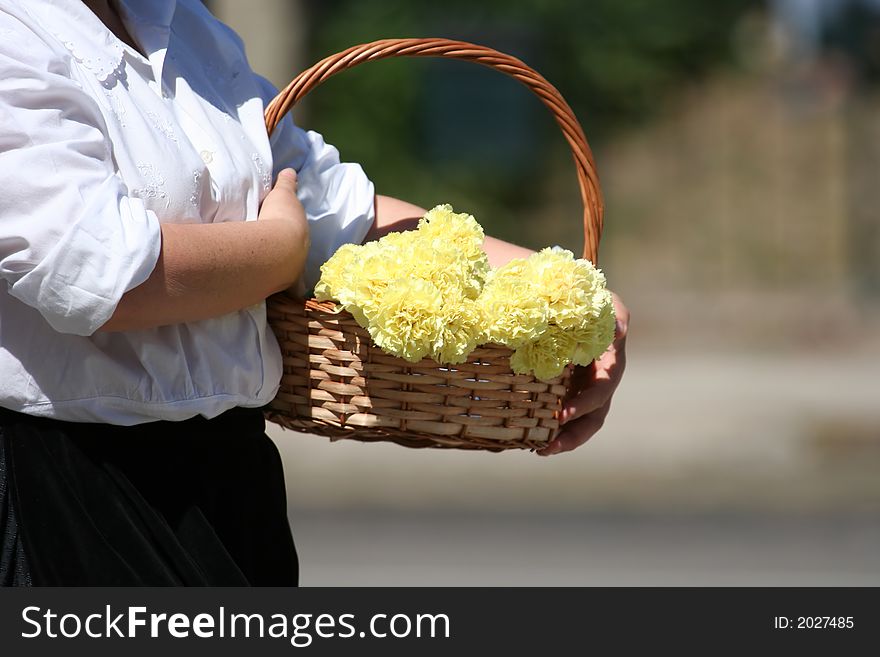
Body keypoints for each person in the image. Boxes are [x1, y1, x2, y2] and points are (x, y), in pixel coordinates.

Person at [0, 0, 628, 586]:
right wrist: (279, 250)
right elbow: (99, 275)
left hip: (229, 477)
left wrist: (574, 294)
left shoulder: (179, 19)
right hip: (65, 484)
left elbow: (336, 212)